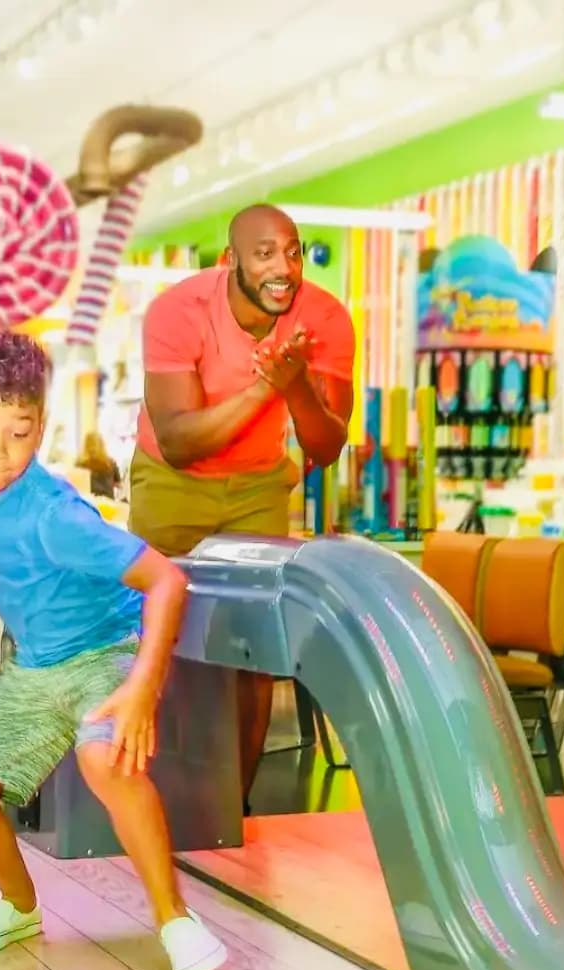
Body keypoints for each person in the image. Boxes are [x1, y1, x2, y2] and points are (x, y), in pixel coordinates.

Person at [0, 328, 228, 970]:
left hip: (106, 653)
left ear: (41, 427)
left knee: (105, 757)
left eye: (19, 432)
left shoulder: (56, 516)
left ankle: (175, 920)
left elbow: (167, 581)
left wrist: (140, 688)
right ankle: (20, 909)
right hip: (37, 665)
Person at [131, 204, 355, 809]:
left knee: (253, 649)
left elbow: (326, 445)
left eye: (293, 251)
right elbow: (177, 443)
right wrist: (265, 387)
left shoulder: (326, 318)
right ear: (230, 260)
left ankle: (233, 805)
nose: (283, 266)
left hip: (258, 483)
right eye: (264, 253)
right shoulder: (177, 311)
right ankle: (151, 797)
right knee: (155, 635)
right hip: (171, 481)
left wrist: (297, 385)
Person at [75, 429, 122, 499]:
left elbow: (75, 487)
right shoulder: (110, 463)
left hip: (89, 504)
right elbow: (118, 484)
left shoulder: (80, 464)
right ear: (102, 444)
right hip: (108, 505)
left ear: (85, 445)